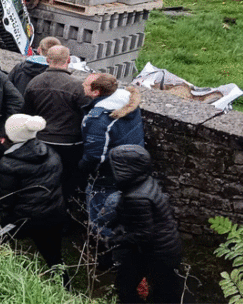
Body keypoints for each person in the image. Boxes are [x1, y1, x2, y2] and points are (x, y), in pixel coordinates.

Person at [0, 114, 68, 282]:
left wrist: (4, 218)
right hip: (53, 212)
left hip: (24, 218)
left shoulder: (8, 163)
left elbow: (6, 198)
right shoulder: (51, 153)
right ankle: (65, 288)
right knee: (54, 257)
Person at [109, 145, 183, 304]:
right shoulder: (145, 181)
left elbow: (144, 235)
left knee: (160, 294)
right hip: (162, 246)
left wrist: (115, 241)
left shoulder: (137, 197)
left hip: (158, 253)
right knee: (128, 283)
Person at [80, 73, 144, 241]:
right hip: (130, 169)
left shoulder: (98, 119)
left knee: (100, 219)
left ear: (96, 92)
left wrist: (82, 170)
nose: (82, 86)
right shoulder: (128, 103)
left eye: (85, 85)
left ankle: (105, 255)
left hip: (106, 176)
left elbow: (95, 157)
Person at [23, 45, 91, 203]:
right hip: (70, 144)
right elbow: (87, 117)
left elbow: (26, 113)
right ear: (68, 60)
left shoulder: (34, 82)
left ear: (47, 60)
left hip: (42, 141)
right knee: (67, 183)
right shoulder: (77, 86)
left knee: (42, 180)